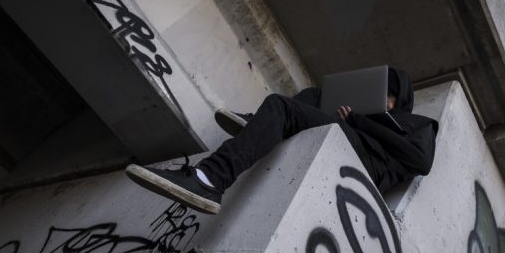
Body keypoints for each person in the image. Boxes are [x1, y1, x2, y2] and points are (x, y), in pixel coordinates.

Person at [126, 67, 438, 214]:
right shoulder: (363, 114)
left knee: (281, 106)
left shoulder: (421, 125)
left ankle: (209, 180)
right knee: (317, 96)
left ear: (403, 101)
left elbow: (420, 162)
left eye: (390, 96)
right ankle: (260, 125)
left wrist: (356, 120)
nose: (384, 100)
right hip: (349, 136)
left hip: (367, 163)